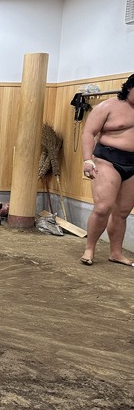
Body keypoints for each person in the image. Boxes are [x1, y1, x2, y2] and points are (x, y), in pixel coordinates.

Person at [80, 73, 134, 267]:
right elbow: (89, 132)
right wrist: (88, 160)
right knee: (103, 207)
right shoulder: (108, 106)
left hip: (132, 163)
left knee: (122, 212)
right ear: (129, 88)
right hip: (108, 159)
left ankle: (116, 253)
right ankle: (89, 249)